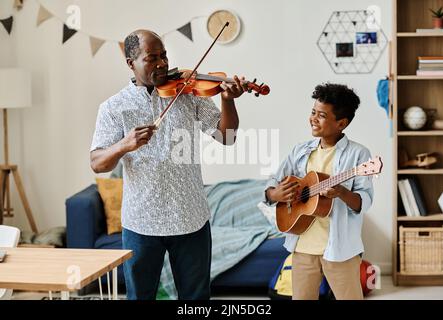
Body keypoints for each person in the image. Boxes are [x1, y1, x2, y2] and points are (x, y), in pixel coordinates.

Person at [90, 29, 247, 300]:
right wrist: (123, 145)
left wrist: (227, 99)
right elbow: (97, 163)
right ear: (131, 63)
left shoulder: (189, 93)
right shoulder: (113, 108)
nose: (162, 63)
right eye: (152, 58)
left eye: (164, 55)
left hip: (191, 218)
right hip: (141, 222)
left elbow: (227, 136)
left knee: (196, 299)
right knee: (140, 296)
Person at [264, 83, 374, 300]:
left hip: (340, 250)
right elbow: (274, 181)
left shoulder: (359, 155)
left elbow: (365, 201)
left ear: (341, 123)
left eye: (321, 115)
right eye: (313, 112)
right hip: (303, 245)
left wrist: (342, 192)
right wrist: (273, 194)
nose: (313, 118)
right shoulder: (300, 150)